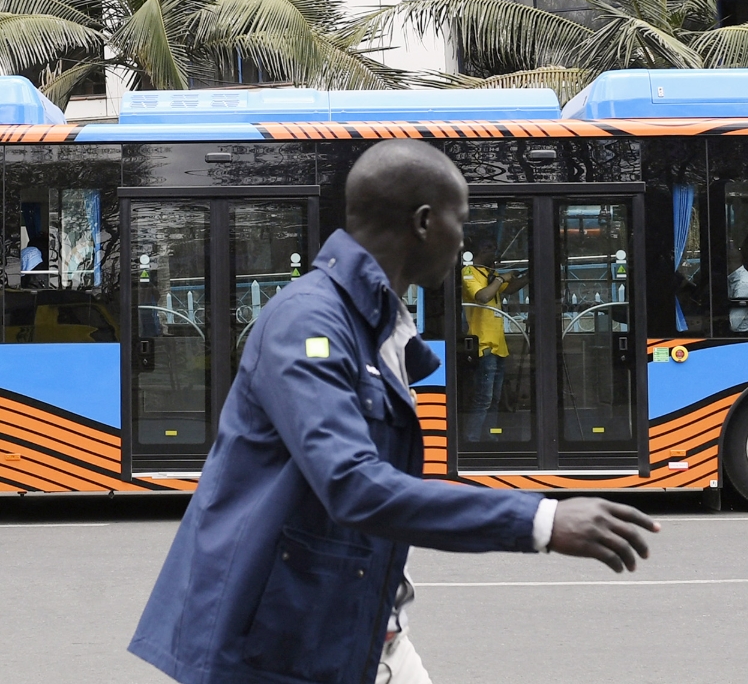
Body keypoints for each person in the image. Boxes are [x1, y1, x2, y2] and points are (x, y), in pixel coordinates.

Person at [128, 139, 659, 684]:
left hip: (359, 626)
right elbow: (354, 485)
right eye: (462, 220)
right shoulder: (309, 323)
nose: (464, 241)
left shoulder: (379, 329)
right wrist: (541, 520)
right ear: (426, 222)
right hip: (278, 644)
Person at [460, 235, 527, 441]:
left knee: (496, 398)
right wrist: (500, 279)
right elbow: (482, 297)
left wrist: (529, 274)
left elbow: (511, 288)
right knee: (484, 397)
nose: (494, 253)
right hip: (483, 344)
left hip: (499, 345)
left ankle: (490, 437)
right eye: (490, 247)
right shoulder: (469, 272)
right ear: (480, 250)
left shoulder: (492, 274)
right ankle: (472, 438)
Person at [726, 237, 748, 332]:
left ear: (728, 262)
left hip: (737, 336)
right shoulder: (732, 279)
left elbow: (732, 324)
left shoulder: (743, 285)